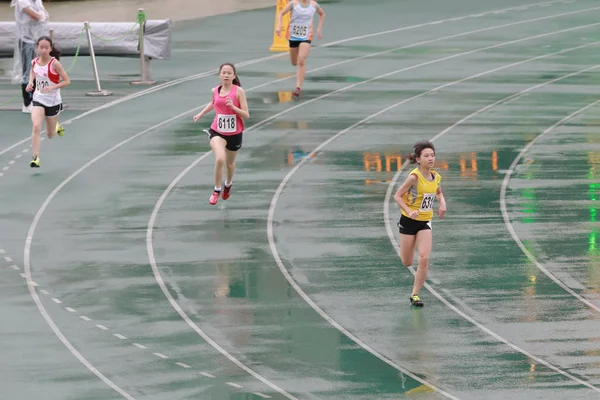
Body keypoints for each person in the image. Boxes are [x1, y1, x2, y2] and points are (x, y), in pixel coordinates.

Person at [393, 141, 447, 307]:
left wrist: (442, 203)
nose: (431, 158)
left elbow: (437, 191)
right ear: (418, 159)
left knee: (424, 258)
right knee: (407, 262)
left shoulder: (435, 176)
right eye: (426, 156)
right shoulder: (414, 177)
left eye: (432, 155)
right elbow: (397, 196)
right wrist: (409, 211)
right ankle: (408, 256)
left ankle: (415, 294)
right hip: (409, 221)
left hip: (425, 221)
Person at [192, 63, 250, 205]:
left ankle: (228, 185)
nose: (226, 75)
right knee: (219, 160)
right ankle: (216, 189)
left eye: (229, 73)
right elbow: (213, 103)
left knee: (229, 164)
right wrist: (200, 114)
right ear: (219, 75)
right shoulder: (215, 90)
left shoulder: (238, 91)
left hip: (234, 133)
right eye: (223, 72)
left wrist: (233, 107)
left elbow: (246, 115)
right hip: (217, 131)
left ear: (234, 76)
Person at [27, 36, 69, 168]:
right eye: (41, 47)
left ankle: (56, 125)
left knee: (50, 135)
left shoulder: (55, 63)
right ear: (37, 48)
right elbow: (33, 72)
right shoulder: (34, 62)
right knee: (36, 126)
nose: (44, 50)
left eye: (46, 48)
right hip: (38, 98)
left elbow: (67, 81)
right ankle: (35, 158)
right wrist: (30, 83)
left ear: (50, 49)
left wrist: (51, 87)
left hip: (53, 101)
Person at [276, 0, 325, 98]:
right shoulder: (293, 4)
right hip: (293, 36)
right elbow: (280, 13)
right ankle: (298, 80)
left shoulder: (314, 5)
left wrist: (319, 28)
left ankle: (298, 87)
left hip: (306, 36)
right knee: (294, 62)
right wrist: (279, 25)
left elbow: (322, 14)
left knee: (301, 60)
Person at [11, 0, 49, 113]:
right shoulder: (22, 1)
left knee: (38, 69)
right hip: (26, 40)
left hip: (36, 39)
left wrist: (41, 16)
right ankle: (27, 103)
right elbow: (35, 16)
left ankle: (38, 99)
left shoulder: (37, 0)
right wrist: (40, 16)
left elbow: (44, 15)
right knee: (28, 71)